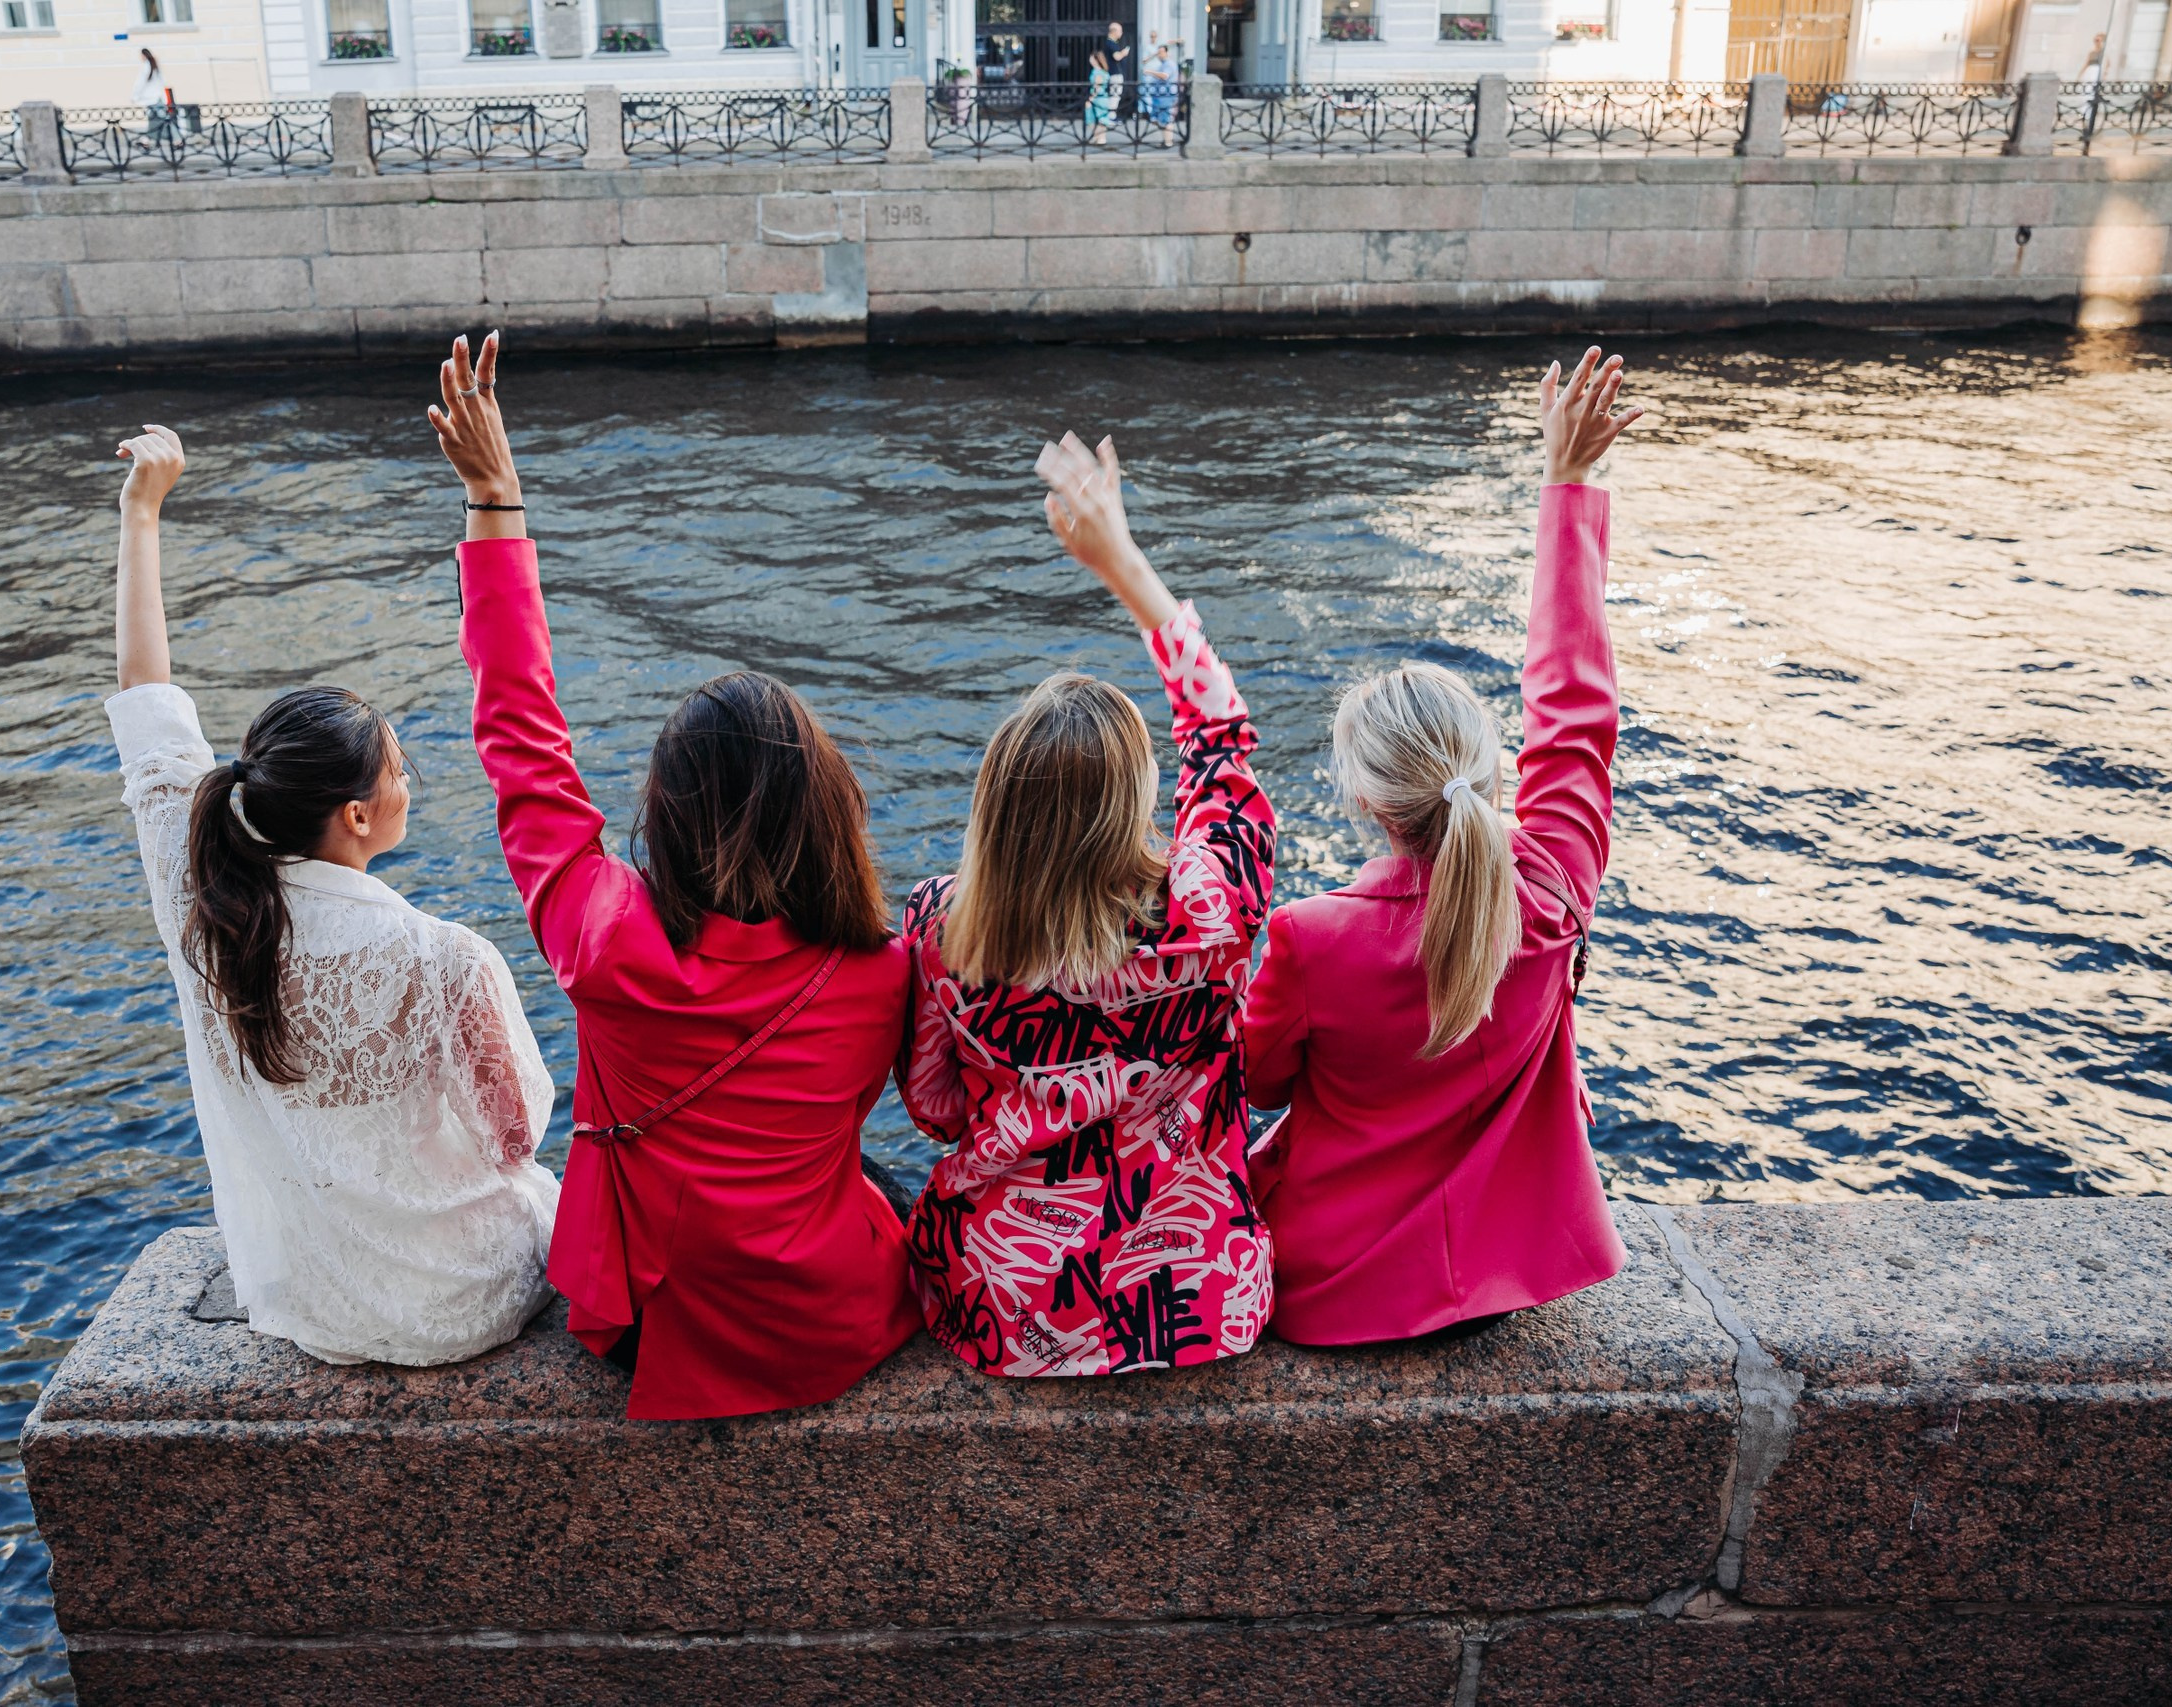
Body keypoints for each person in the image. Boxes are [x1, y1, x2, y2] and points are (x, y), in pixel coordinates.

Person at [430, 332, 923, 1422]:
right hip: (835, 1316)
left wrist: (498, 503)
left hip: (653, 1322)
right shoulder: (885, 970)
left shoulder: (606, 941)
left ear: (662, 812)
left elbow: (522, 736)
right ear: (831, 809)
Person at [104, 424, 562, 1368]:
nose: (411, 779)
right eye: (400, 767)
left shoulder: (201, 893)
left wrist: (142, 513)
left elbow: (146, 697)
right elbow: (515, 1134)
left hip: (305, 1299)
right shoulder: (443, 955)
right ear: (358, 816)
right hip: (462, 1303)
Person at [1241, 348, 1644, 1347]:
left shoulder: (1309, 936)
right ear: (1492, 769)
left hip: (1333, 1292)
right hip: (1507, 1282)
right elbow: (1576, 701)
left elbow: (1252, 1085)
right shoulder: (1549, 888)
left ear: (1365, 802)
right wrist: (1567, 486)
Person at [898, 431, 1278, 1379]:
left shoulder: (946, 927)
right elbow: (1221, 739)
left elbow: (937, 1110)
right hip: (1203, 1298)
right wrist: (1123, 564)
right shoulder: (1211, 913)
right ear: (1138, 804)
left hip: (1003, 1304)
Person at [132, 47, 174, 146]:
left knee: (163, 119)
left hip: (151, 99)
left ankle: (177, 140)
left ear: (143, 55)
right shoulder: (154, 65)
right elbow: (162, 81)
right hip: (157, 97)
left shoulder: (146, 66)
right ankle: (146, 140)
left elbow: (140, 83)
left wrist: (135, 96)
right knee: (154, 119)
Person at [1141, 31, 1183, 128]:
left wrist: (1150, 72)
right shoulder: (1149, 48)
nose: (1153, 38)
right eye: (1151, 36)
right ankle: (1166, 140)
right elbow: (1144, 60)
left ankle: (1168, 142)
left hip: (1166, 95)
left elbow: (1165, 76)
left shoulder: (1168, 64)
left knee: (1166, 121)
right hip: (1161, 94)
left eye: (1155, 36)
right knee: (1160, 120)